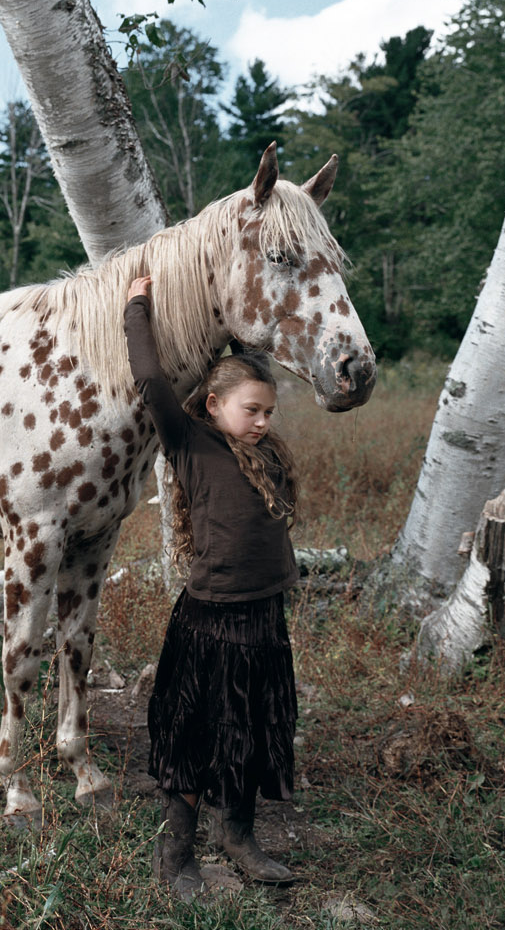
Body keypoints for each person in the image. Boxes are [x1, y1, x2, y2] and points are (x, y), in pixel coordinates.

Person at [125, 275, 300, 899]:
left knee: (251, 731)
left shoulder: (271, 456)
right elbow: (149, 379)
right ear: (213, 406)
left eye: (268, 411)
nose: (260, 421)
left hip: (263, 620)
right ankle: (177, 854)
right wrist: (137, 306)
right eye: (250, 410)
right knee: (196, 734)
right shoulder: (190, 442)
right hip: (210, 620)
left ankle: (240, 837)